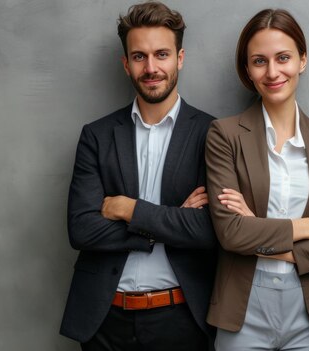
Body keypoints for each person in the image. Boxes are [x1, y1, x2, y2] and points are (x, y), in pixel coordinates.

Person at [59, 2, 217, 350]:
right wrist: (169, 223)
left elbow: (210, 229)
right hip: (104, 322)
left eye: (161, 54)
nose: (151, 67)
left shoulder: (213, 134)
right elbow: (81, 228)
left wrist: (128, 209)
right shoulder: (97, 136)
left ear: (180, 58)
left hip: (181, 319)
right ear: (126, 64)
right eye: (139, 56)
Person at [205, 8, 309, 351]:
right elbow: (231, 233)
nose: (272, 72)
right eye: (259, 61)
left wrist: (260, 231)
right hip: (242, 308)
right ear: (247, 69)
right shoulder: (224, 135)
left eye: (283, 58)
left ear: (302, 60)